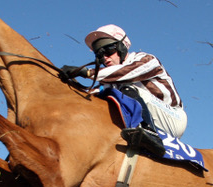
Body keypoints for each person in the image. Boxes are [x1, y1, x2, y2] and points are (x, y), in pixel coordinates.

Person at [60, 24, 186, 158]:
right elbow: (90, 95)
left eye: (108, 51)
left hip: (174, 118)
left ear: (122, 47)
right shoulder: (108, 81)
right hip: (152, 115)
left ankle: (149, 134)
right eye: (100, 55)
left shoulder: (147, 59)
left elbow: (127, 72)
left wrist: (87, 72)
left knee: (127, 89)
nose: (105, 58)